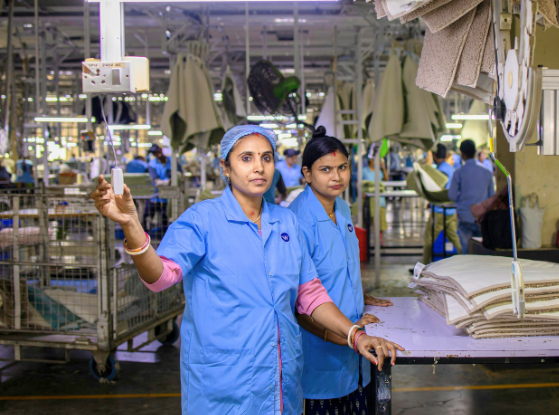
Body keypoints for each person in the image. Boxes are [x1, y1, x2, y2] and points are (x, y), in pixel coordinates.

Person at [90, 125, 403, 414]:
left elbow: (310, 293)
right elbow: (159, 277)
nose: (259, 167)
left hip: (281, 378)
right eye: (246, 158)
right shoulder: (202, 220)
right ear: (225, 167)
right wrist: (131, 224)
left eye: (266, 158)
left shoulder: (286, 222)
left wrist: (355, 335)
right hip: (224, 381)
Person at [289, 126, 393, 414]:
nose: (336, 177)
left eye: (342, 167)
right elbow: (298, 305)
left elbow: (339, 266)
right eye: (325, 169)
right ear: (307, 174)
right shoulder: (296, 221)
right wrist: (346, 337)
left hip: (356, 346)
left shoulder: (343, 208)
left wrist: (356, 292)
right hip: (321, 357)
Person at [448, 140, 495, 249]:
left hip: (465, 216)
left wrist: (462, 196)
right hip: (481, 219)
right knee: (481, 251)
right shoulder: (487, 173)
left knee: (467, 251)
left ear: (462, 155)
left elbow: (452, 196)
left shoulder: (458, 173)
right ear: (475, 153)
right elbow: (492, 197)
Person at [423, 144, 461, 264]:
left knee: (429, 239)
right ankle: (469, 260)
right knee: (455, 240)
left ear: (434, 155)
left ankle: (423, 267)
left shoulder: (440, 171)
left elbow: (439, 189)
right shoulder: (451, 168)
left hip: (439, 212)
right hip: (450, 211)